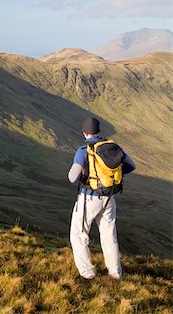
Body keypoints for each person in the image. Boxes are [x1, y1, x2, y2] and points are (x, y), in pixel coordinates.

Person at [68, 117, 136, 280]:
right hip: (109, 198)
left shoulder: (84, 150)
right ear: (98, 131)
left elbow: (72, 177)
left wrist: (88, 174)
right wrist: (109, 176)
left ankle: (87, 273)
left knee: (79, 234)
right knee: (109, 235)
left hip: (89, 199)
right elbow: (131, 165)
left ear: (85, 133)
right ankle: (115, 273)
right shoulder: (112, 146)